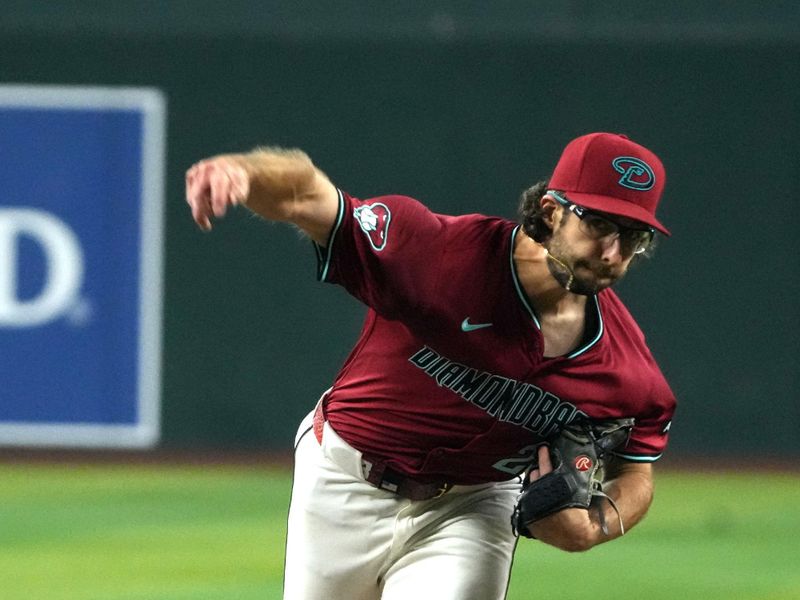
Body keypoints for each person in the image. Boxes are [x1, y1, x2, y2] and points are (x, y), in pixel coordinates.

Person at [185, 132, 676, 600]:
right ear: (550, 211)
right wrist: (245, 172)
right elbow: (308, 195)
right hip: (344, 477)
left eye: (633, 237)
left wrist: (597, 525)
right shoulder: (437, 254)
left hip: (474, 504)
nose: (614, 252)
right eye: (599, 225)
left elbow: (637, 470)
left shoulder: (625, 368)